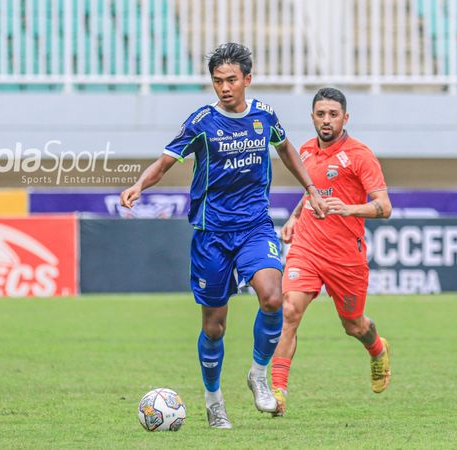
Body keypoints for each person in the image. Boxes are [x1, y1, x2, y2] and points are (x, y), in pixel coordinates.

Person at [119, 43, 327, 429]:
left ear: (248, 79)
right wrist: (138, 186)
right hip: (211, 233)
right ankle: (214, 400)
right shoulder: (201, 122)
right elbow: (165, 162)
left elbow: (287, 151)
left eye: (232, 80)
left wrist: (311, 188)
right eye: (218, 81)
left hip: (254, 226)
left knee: (272, 296)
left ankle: (258, 375)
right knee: (214, 325)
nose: (225, 88)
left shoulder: (264, 116)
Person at [270, 88, 393, 417]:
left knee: (353, 325)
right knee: (289, 312)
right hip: (306, 248)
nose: (326, 120)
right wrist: (295, 217)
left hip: (345, 257)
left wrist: (349, 209)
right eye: (321, 114)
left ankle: (378, 349)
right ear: (312, 117)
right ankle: (278, 393)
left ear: (345, 118)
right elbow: (312, 193)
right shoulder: (306, 151)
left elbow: (384, 207)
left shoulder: (360, 155)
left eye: (333, 114)